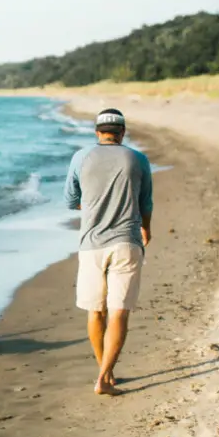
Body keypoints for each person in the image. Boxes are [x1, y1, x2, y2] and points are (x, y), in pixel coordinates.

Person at [64, 107, 153, 395]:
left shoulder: (81, 157)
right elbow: (146, 202)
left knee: (95, 311)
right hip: (126, 241)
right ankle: (104, 377)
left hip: (91, 245)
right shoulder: (137, 158)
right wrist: (146, 228)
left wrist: (94, 206)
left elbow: (71, 199)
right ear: (123, 132)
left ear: (97, 132)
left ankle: (105, 371)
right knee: (119, 312)